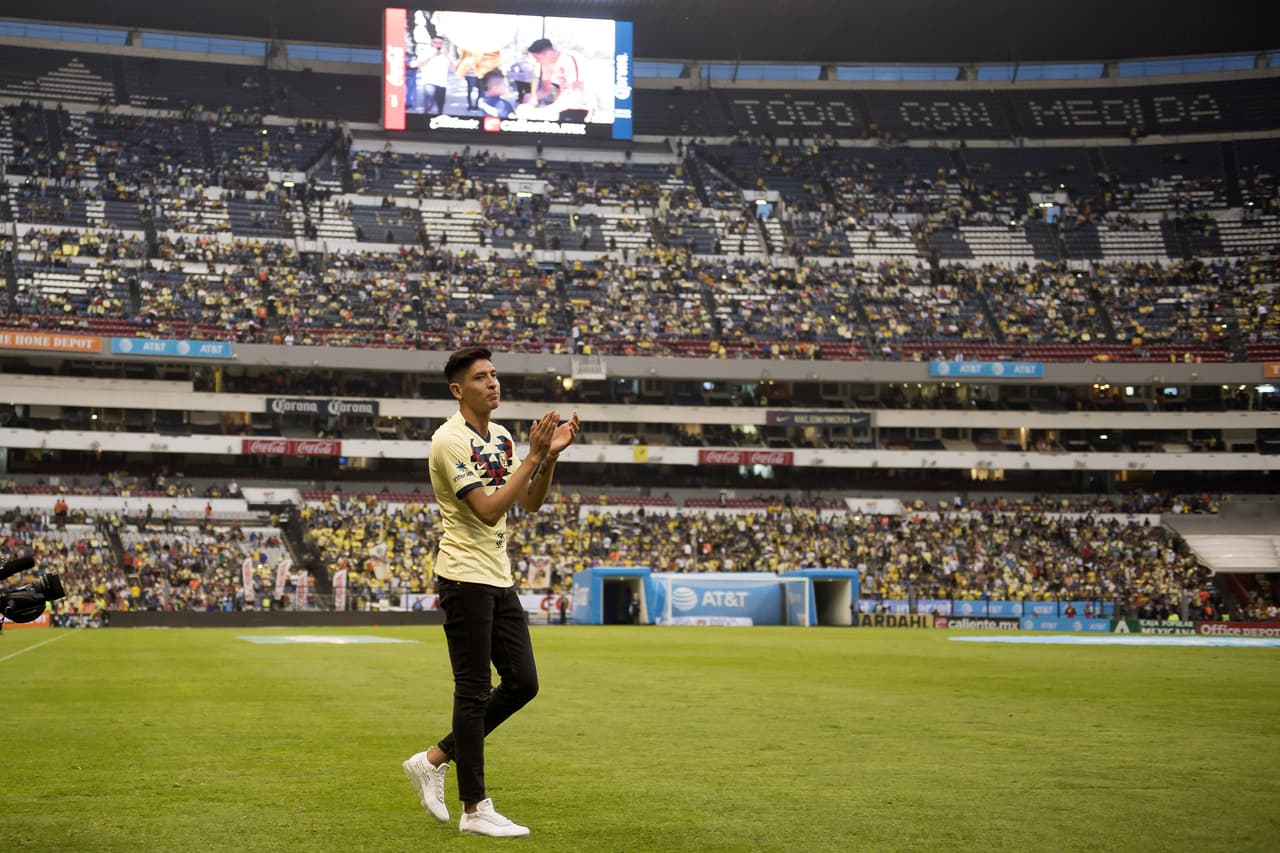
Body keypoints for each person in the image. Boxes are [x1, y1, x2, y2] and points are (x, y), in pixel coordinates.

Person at [403, 345, 580, 839]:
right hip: (463, 577)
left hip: (497, 576)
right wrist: (535, 455)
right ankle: (474, 807)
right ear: (459, 390)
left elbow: (531, 502)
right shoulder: (449, 441)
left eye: (495, 375)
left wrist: (548, 460)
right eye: (482, 378)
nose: (493, 383)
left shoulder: (500, 436)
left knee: (523, 682)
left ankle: (433, 759)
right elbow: (487, 510)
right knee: (475, 690)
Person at [526, 38, 590, 122]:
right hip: (564, 106)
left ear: (547, 53)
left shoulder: (570, 59)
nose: (537, 62)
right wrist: (532, 98)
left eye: (537, 58)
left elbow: (578, 94)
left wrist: (546, 111)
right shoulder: (545, 65)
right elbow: (545, 90)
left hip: (582, 107)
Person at [410, 35, 454, 116]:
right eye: (435, 42)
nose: (438, 44)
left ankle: (438, 121)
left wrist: (447, 55)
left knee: (440, 105)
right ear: (432, 43)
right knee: (429, 103)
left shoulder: (446, 54)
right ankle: (425, 118)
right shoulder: (426, 52)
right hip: (429, 81)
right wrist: (431, 57)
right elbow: (420, 65)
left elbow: (453, 67)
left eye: (440, 43)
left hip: (442, 83)